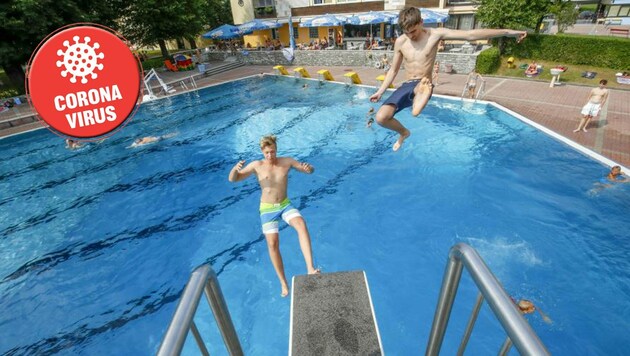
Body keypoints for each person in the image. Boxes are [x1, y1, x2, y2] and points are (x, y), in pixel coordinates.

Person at [369, 7, 526, 151]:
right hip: (407, 85)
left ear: (421, 22)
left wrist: (508, 32)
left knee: (417, 106)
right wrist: (380, 91)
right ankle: (404, 133)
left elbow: (470, 34)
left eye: (414, 31)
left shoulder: (435, 34)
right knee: (381, 118)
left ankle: (421, 95)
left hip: (424, 84)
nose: (411, 36)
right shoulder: (401, 42)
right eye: (407, 32)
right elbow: (394, 70)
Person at [228, 135, 320, 297]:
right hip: (267, 209)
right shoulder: (257, 165)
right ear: (262, 152)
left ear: (276, 149)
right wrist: (235, 169)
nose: (270, 156)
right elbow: (233, 179)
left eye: (272, 152)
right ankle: (283, 283)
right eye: (267, 153)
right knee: (273, 245)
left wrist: (309, 168)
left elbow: (308, 170)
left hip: (284, 205)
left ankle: (310, 269)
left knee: (301, 224)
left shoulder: (287, 162)